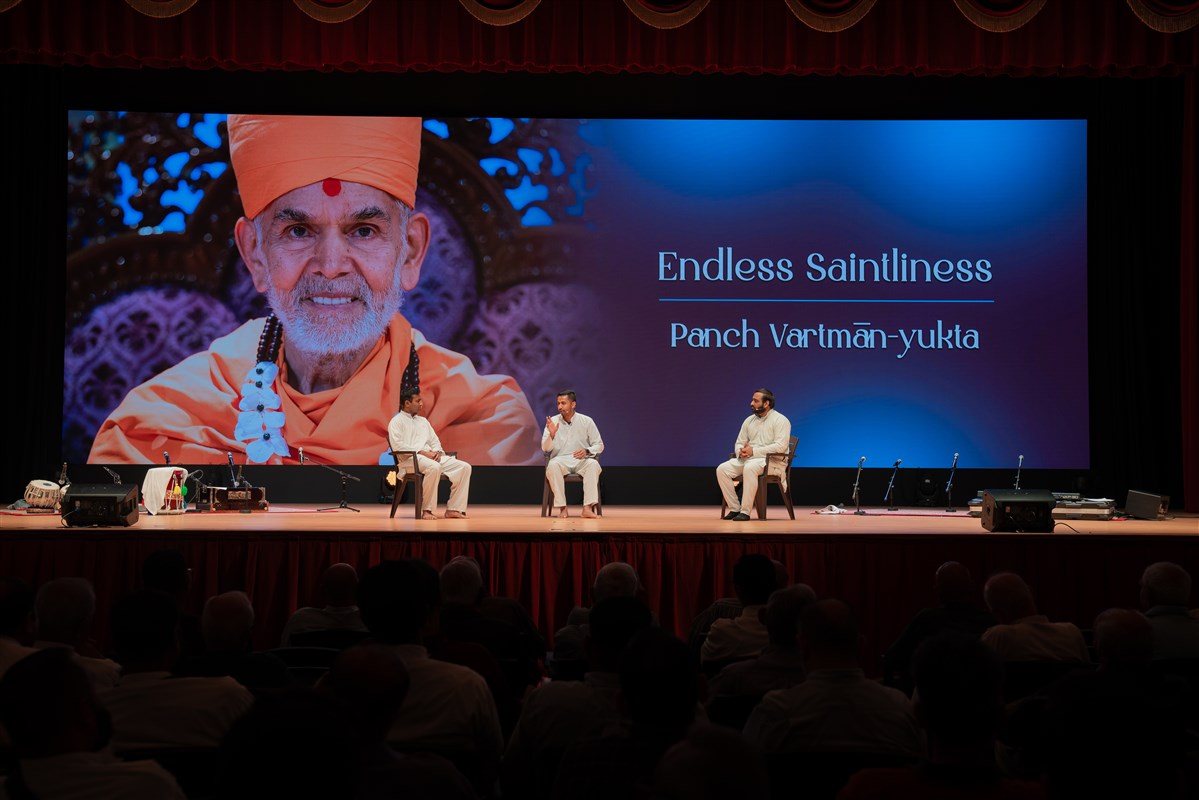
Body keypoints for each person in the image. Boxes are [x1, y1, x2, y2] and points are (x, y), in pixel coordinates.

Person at [88, 114, 540, 467]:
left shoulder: (483, 423)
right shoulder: (163, 427)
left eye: (364, 230)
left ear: (410, 251)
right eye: (299, 231)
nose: (331, 266)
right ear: (255, 254)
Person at [388, 388, 472, 519]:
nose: (421, 404)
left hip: (429, 458)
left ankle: (454, 509)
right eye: (418, 401)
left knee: (464, 467)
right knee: (434, 467)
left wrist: (437, 452)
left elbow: (434, 441)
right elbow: (398, 446)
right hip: (409, 461)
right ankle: (427, 510)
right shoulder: (396, 422)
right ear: (407, 403)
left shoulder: (423, 421)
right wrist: (422, 452)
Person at [716, 388, 791, 521]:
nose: (751, 403)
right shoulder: (749, 420)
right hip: (750, 459)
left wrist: (754, 451)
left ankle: (745, 512)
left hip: (772, 462)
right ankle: (735, 508)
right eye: (752, 400)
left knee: (750, 468)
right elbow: (740, 442)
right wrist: (741, 451)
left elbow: (780, 447)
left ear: (766, 403)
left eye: (756, 401)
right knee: (722, 469)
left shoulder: (781, 420)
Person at [542, 390, 605, 518]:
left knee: (593, 465)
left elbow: (599, 445)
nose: (560, 406)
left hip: (581, 460)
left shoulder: (586, 421)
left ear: (573, 404)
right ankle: (562, 509)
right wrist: (552, 435)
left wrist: (587, 451)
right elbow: (545, 448)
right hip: (560, 460)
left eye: (563, 403)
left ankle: (587, 508)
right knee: (552, 466)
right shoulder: (553, 421)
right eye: (558, 403)